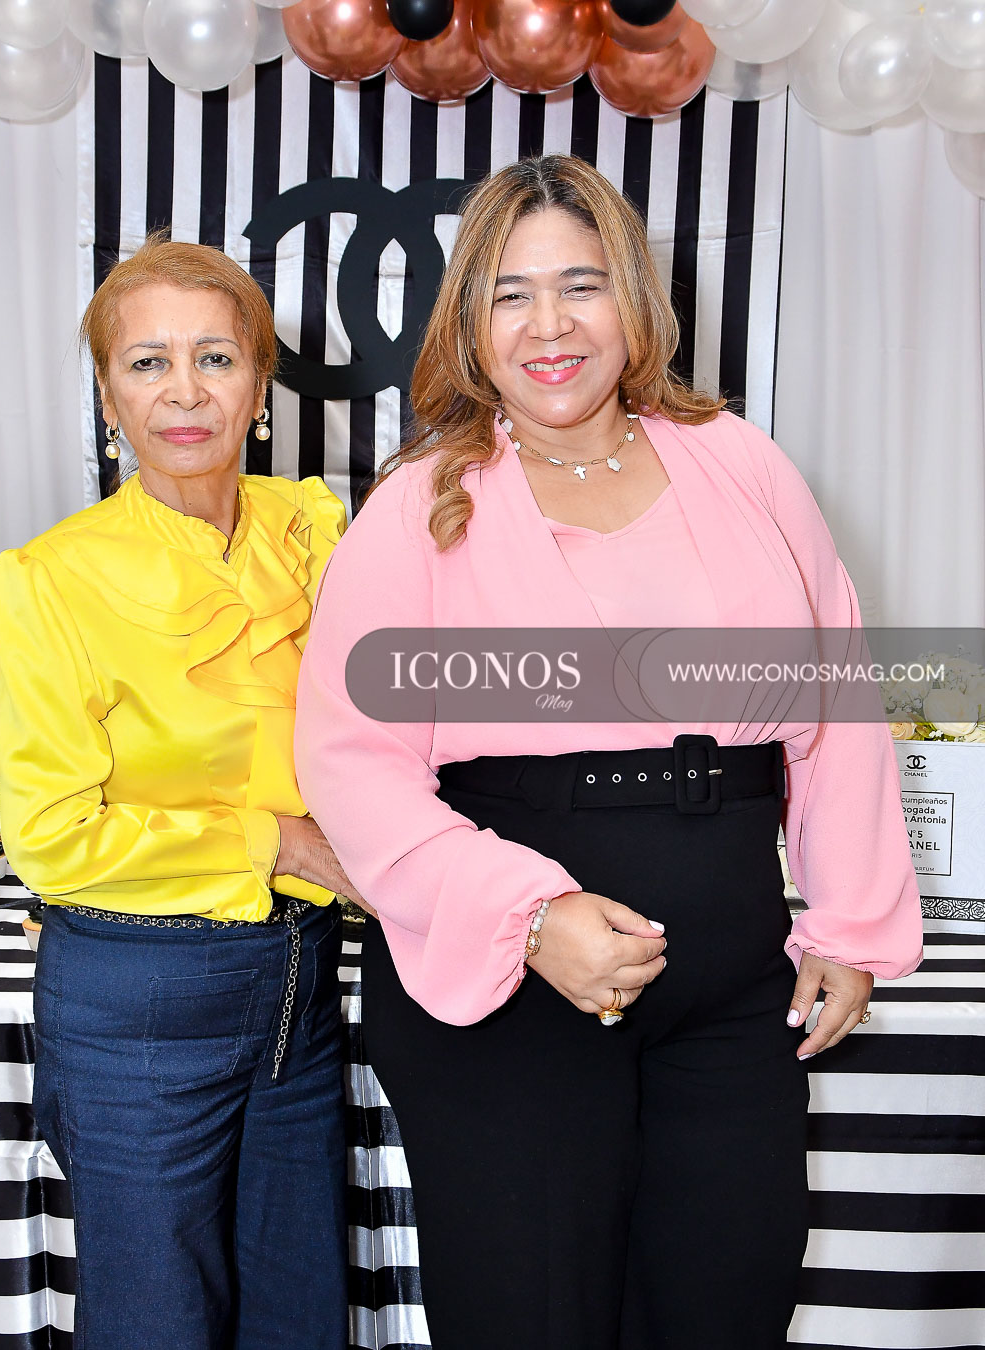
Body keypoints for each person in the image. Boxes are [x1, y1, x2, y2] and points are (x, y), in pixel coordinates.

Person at [293, 155, 923, 1350]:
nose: (550, 325)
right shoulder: (418, 504)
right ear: (470, 325)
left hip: (731, 998)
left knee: (728, 1311)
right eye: (512, 293)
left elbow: (837, 692)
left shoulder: (740, 463)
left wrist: (851, 921)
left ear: (633, 300)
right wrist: (532, 918)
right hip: (507, 1001)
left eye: (580, 285)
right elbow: (350, 765)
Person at [0, 238, 357, 1350]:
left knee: (297, 1316)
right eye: (147, 362)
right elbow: (50, 836)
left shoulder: (316, 529)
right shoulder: (51, 577)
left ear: (260, 386)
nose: (185, 391)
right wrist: (278, 841)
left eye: (216, 357)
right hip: (138, 1003)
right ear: (110, 397)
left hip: (302, 984)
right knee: (156, 1324)